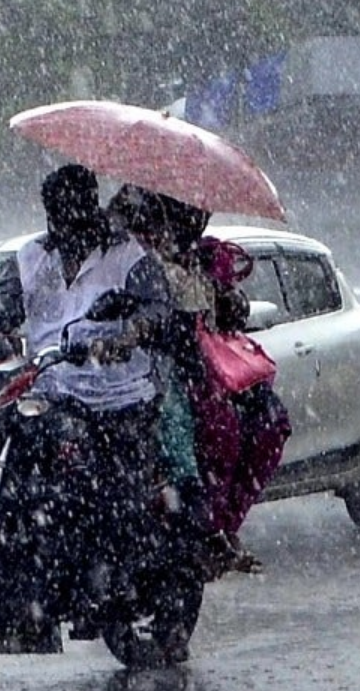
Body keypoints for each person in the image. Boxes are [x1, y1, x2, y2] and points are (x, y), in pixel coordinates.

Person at [0, 164, 176, 621]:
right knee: (3, 449)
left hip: (118, 397)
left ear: (90, 207)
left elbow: (159, 309)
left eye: (76, 211)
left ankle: (113, 578)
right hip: (51, 389)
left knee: (102, 493)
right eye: (58, 213)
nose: (68, 224)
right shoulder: (32, 257)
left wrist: (126, 338)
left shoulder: (127, 256)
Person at [110, 184, 286, 578]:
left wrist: (223, 299)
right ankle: (203, 528)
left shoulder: (201, 259)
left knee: (258, 423)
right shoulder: (125, 255)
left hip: (194, 369)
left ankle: (215, 526)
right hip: (146, 370)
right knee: (197, 434)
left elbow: (219, 312)